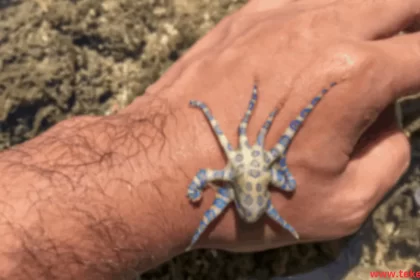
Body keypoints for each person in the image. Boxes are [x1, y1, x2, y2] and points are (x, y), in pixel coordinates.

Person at [0, 0, 417, 278]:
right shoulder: (259, 168)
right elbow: (275, 141)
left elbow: (228, 147)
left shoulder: (237, 168)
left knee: (250, 136)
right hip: (254, 194)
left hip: (250, 192)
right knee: (271, 133)